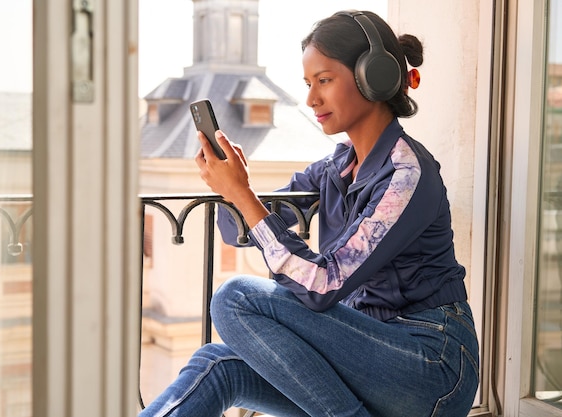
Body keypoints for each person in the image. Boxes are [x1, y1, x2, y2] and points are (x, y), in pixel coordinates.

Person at [139, 9, 479, 417]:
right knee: (217, 365)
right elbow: (237, 230)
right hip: (365, 350)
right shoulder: (334, 169)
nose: (311, 99)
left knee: (235, 296)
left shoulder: (407, 175)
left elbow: (323, 285)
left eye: (324, 81)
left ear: (373, 77)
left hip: (431, 365)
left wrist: (244, 197)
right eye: (307, 84)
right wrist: (235, 189)